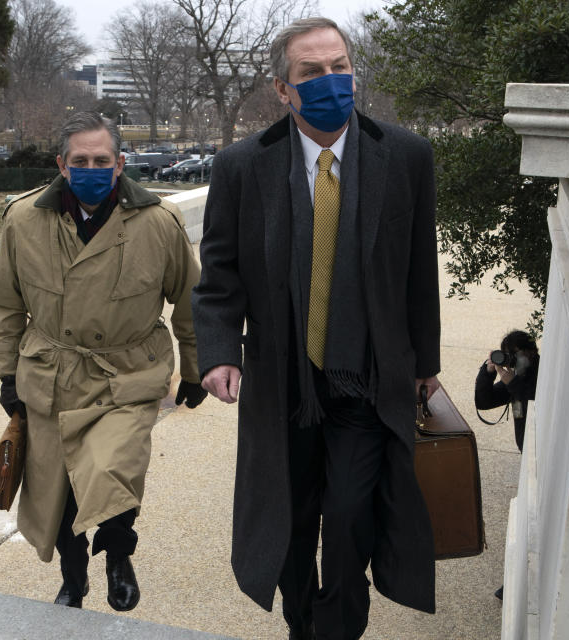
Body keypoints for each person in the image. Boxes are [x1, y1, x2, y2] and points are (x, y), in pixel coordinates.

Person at [191, 17, 440, 640]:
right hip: (285, 384)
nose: (331, 81)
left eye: (339, 67)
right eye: (312, 73)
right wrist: (220, 352)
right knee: (293, 520)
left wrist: (425, 364)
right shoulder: (242, 167)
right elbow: (219, 275)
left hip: (368, 378)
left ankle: (339, 629)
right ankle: (303, 626)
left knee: (351, 513)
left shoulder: (405, 156)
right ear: (282, 89)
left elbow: (418, 270)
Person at [0, 111, 206, 611]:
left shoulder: (158, 221)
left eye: (101, 160)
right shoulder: (23, 220)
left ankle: (118, 556)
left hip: (125, 375)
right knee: (58, 495)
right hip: (51, 376)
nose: (91, 168)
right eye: (80, 160)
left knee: (113, 472)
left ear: (120, 163)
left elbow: (192, 300)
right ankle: (73, 576)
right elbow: (4, 304)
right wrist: (6, 374)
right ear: (61, 165)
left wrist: (194, 369)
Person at [474, 330, 539, 452]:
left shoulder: (540, 376)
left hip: (538, 447)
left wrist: (513, 384)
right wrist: (487, 372)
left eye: (515, 354)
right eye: (508, 355)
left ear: (532, 352)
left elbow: (532, 405)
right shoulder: (517, 377)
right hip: (525, 447)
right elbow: (484, 402)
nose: (512, 360)